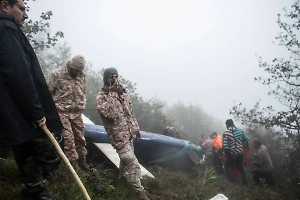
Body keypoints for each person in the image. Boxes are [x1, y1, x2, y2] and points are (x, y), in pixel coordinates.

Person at [0, 0, 63, 199]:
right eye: (22, 8)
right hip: (23, 113)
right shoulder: (7, 29)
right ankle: (36, 190)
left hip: (12, 113)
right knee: (51, 152)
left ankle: (35, 189)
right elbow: (18, 74)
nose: (26, 15)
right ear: (5, 6)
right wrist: (35, 112)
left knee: (25, 151)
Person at [96, 67, 149, 200]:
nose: (114, 79)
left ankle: (121, 186)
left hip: (129, 134)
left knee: (125, 164)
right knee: (133, 164)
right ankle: (140, 193)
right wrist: (112, 93)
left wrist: (136, 129)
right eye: (110, 77)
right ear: (105, 80)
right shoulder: (101, 97)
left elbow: (130, 113)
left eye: (116, 76)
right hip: (118, 138)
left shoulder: (124, 95)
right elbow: (111, 114)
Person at [47, 55, 91, 171]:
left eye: (79, 71)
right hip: (61, 112)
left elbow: (83, 92)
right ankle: (73, 168)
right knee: (68, 139)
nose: (77, 72)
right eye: (76, 70)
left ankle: (83, 164)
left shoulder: (83, 77)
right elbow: (47, 93)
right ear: (71, 66)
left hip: (76, 114)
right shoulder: (57, 75)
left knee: (80, 139)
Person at [222, 119, 249, 185]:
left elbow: (225, 146)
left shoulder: (226, 133)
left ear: (227, 125)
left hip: (232, 154)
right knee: (241, 167)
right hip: (240, 153)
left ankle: (232, 182)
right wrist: (242, 145)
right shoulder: (240, 131)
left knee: (226, 166)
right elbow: (247, 140)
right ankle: (245, 182)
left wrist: (227, 153)